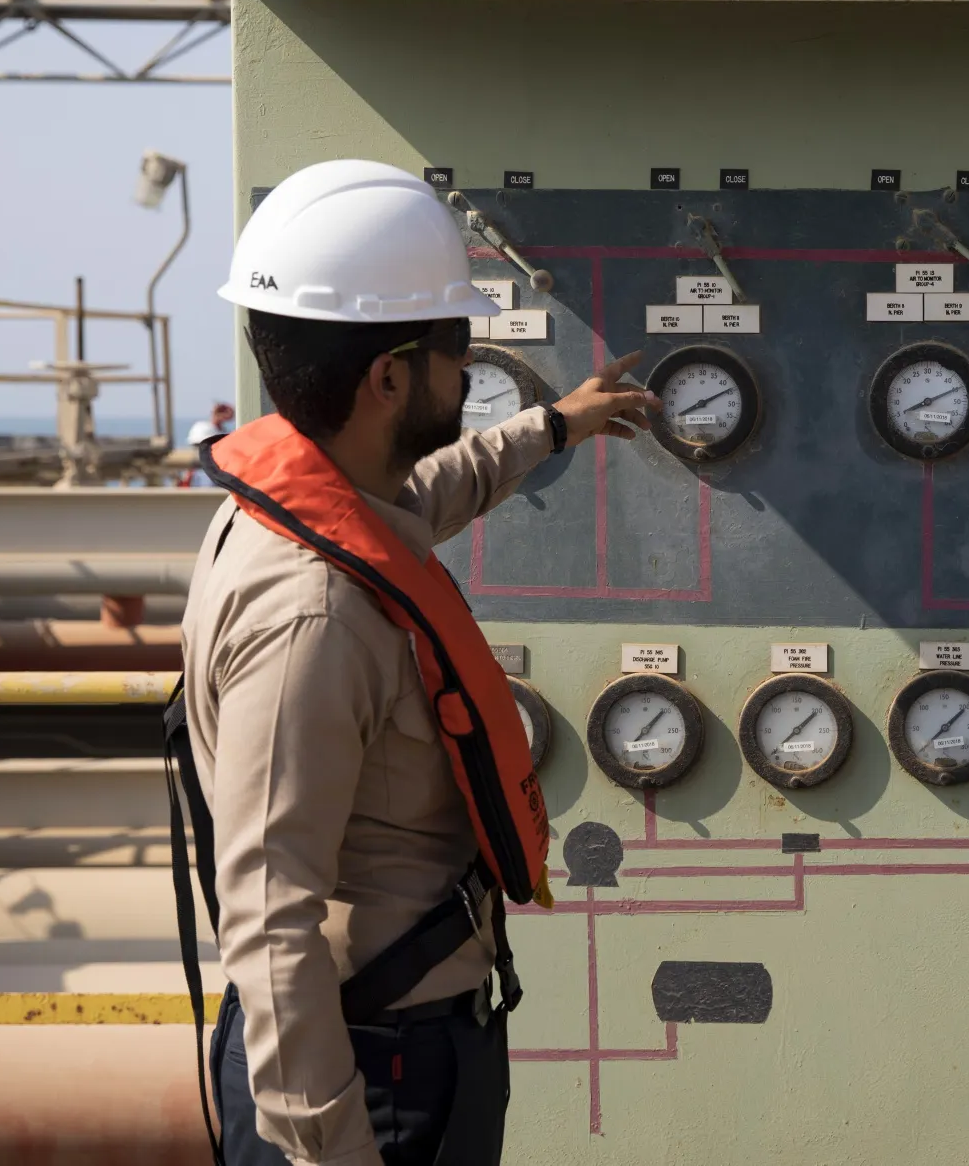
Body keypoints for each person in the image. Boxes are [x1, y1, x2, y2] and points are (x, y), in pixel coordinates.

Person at [169, 160, 657, 1166]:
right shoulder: (315, 615)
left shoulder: (306, 506)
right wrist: (331, 1146)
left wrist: (556, 423)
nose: (470, 369)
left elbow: (432, 487)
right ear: (390, 376)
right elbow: (268, 921)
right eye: (456, 346)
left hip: (391, 1042)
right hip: (364, 1079)